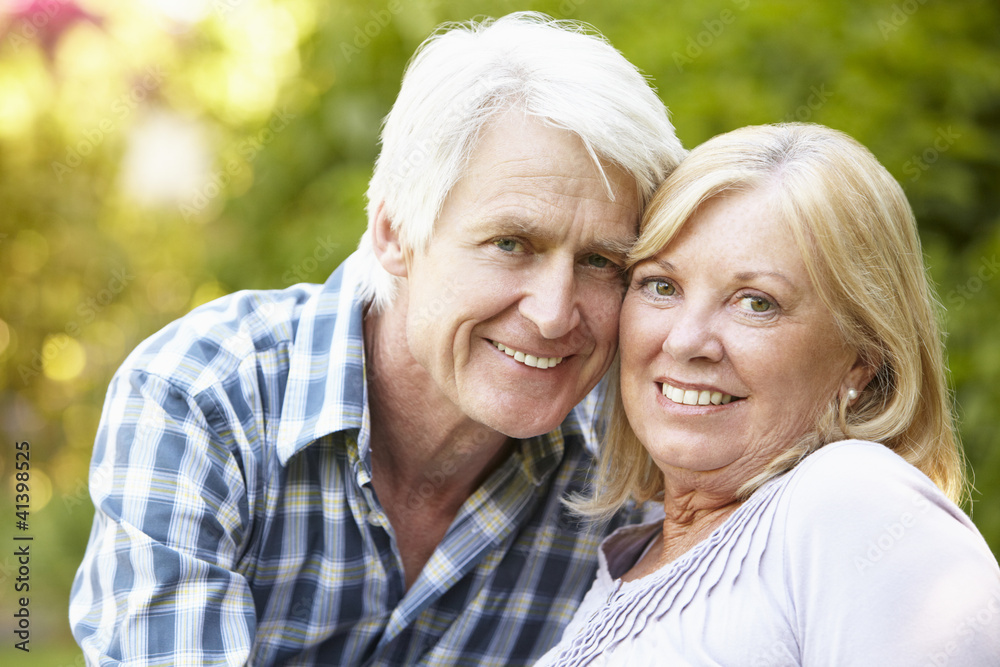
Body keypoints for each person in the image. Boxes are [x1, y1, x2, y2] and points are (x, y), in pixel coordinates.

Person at [68, 12, 686, 666]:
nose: (555, 314)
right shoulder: (201, 398)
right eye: (511, 244)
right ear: (394, 233)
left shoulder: (630, 471)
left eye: (601, 262)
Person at [536, 123, 1000, 666]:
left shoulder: (853, 501)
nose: (685, 341)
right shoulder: (624, 564)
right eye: (662, 286)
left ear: (863, 356)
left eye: (756, 302)